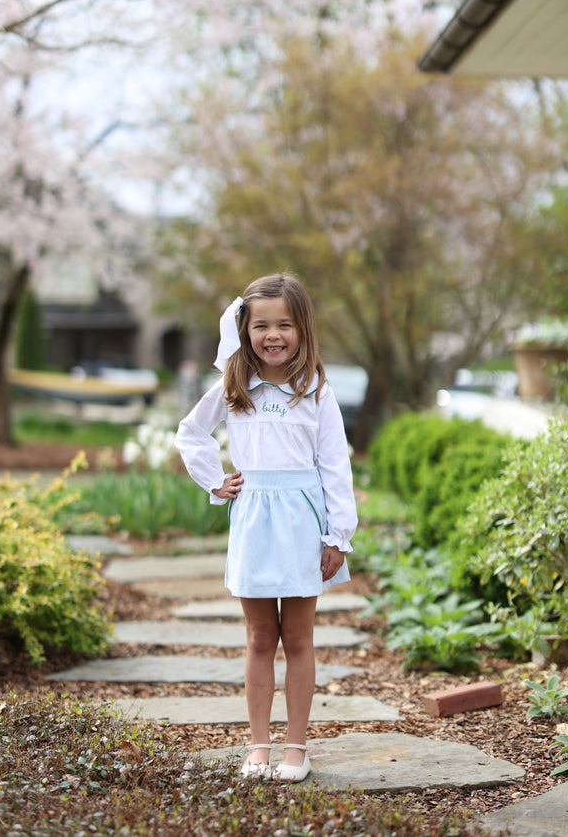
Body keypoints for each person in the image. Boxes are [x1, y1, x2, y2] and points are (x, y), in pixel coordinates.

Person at [175, 272, 357, 782]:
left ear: (302, 329)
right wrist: (216, 482)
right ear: (244, 330)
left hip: (304, 522)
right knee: (259, 636)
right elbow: (190, 433)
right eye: (261, 326)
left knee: (298, 638)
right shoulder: (234, 388)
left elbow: (335, 465)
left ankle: (296, 746)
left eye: (284, 324)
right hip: (254, 520)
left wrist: (338, 535)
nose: (273, 335)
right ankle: (258, 745)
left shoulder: (316, 391)